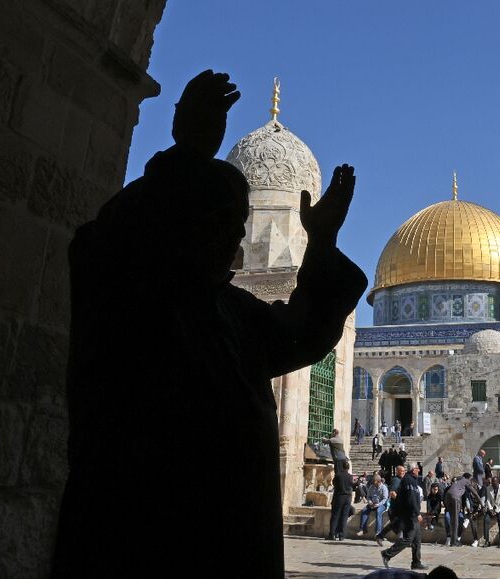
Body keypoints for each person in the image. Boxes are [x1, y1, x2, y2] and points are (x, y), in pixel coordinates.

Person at [51, 70, 367, 578]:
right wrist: (190, 151)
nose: (238, 247)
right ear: (183, 225)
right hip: (137, 545)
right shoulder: (128, 297)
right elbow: (108, 240)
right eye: (225, 228)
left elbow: (304, 334)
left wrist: (321, 243)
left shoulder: (230, 313)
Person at [381, 462, 427, 571]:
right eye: (417, 468)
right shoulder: (408, 480)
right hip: (409, 515)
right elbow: (411, 500)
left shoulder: (412, 480)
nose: (419, 470)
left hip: (411, 514)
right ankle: (387, 554)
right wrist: (417, 513)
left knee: (417, 539)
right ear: (413, 470)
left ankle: (416, 562)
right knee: (408, 538)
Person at [444, 473, 481, 547]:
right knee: (455, 520)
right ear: (468, 478)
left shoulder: (458, 481)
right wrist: (482, 504)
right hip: (455, 498)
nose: (471, 482)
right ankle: (454, 542)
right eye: (470, 479)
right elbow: (475, 493)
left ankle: (453, 540)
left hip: (447, 497)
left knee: (452, 520)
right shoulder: (466, 480)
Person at [377, 465, 406, 545]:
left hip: (399, 507)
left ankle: (380, 536)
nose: (403, 472)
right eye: (401, 471)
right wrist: (401, 501)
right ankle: (381, 536)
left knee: (397, 524)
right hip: (396, 507)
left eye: (404, 471)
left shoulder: (401, 480)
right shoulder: (396, 480)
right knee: (397, 523)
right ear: (397, 471)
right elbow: (392, 493)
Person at [329, 461, 353, 541]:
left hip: (339, 497)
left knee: (335, 516)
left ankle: (332, 534)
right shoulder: (350, 477)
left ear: (342, 467)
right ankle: (341, 535)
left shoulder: (338, 475)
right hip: (347, 498)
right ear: (348, 468)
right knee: (344, 516)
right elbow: (351, 485)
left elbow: (334, 484)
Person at [482, 476, 500, 547]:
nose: (492, 484)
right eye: (492, 483)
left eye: (494, 483)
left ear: (498, 482)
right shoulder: (488, 488)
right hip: (491, 508)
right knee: (486, 519)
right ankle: (487, 541)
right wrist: (490, 509)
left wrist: (496, 511)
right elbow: (488, 500)